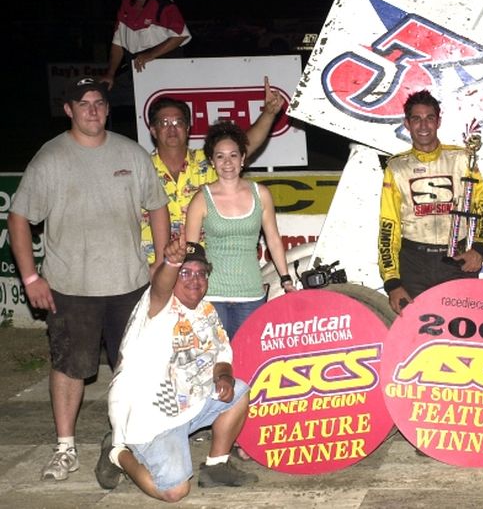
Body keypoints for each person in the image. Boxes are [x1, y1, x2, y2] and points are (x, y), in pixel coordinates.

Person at [8, 77, 169, 481]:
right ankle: (65, 448)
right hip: (71, 288)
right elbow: (19, 217)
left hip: (129, 285)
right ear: (69, 110)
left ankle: (133, 440)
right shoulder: (50, 158)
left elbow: (158, 207)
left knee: (134, 368)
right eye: (84, 103)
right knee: (69, 367)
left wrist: (161, 261)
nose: (92, 110)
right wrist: (30, 278)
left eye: (99, 102)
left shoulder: (131, 154)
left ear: (107, 108)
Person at [94, 238, 257, 501]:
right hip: (151, 417)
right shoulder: (158, 305)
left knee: (238, 390)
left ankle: (216, 466)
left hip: (191, 400)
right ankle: (117, 451)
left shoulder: (206, 310)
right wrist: (170, 262)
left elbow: (222, 355)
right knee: (174, 491)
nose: (194, 279)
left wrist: (224, 376)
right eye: (185, 272)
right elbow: (160, 287)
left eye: (200, 273)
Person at [141, 77, 284, 265]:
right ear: (153, 130)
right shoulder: (140, 168)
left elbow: (245, 145)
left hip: (205, 268)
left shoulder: (208, 161)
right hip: (155, 268)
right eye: (164, 123)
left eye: (178, 122)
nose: (172, 129)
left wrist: (269, 113)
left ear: (188, 127)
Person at [378, 90, 483, 315]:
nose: (423, 125)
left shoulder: (462, 158)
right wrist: (392, 282)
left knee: (462, 331)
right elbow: (388, 226)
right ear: (407, 124)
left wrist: (479, 249)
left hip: (457, 260)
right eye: (416, 119)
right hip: (414, 263)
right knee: (417, 337)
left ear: (438, 122)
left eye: (430, 118)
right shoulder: (396, 168)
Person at [185, 121, 295, 340]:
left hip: (251, 294)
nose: (227, 162)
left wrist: (286, 279)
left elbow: (273, 239)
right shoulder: (201, 199)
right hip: (211, 293)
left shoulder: (260, 194)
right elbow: (191, 251)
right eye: (220, 156)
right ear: (211, 162)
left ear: (243, 159)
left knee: (247, 360)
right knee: (215, 362)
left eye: (233, 155)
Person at [99, 0, 191, 103]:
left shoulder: (162, 2)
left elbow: (181, 35)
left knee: (164, 107)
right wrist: (110, 74)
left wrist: (150, 55)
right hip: (137, 73)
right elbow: (118, 43)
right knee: (100, 93)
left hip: (166, 74)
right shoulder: (125, 4)